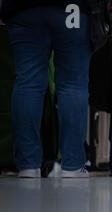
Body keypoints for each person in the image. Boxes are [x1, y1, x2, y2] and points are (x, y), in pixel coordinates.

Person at [1, 0, 92, 178]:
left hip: (23, 10)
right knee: (73, 84)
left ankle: (28, 165)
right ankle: (72, 166)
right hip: (72, 8)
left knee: (27, 83)